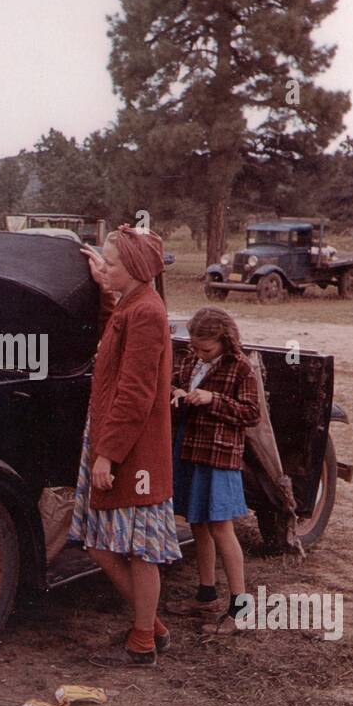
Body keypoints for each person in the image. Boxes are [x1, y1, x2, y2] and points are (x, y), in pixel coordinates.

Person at [71, 226, 179, 666]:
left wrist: (109, 454)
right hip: (114, 438)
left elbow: (137, 393)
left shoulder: (148, 313)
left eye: (112, 264)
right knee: (100, 541)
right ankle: (150, 624)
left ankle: (142, 642)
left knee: (139, 549)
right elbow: (116, 329)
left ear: (135, 269)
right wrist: (105, 285)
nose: (105, 269)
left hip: (133, 449)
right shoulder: (135, 304)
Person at [167, 307, 261, 630]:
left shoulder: (241, 368)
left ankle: (241, 609)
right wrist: (177, 393)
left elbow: (251, 414)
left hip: (219, 458)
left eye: (206, 349)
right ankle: (206, 594)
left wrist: (212, 400)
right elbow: (174, 384)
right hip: (190, 449)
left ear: (225, 340)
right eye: (195, 347)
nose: (199, 354)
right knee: (197, 522)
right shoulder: (192, 359)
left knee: (222, 528)